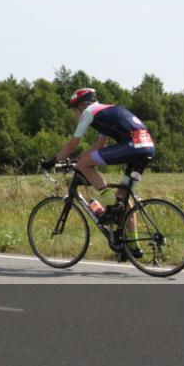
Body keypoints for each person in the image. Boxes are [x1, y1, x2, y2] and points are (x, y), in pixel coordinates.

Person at [40, 88, 154, 261]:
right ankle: (133, 246)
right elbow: (100, 144)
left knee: (88, 169)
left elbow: (72, 144)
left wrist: (53, 161)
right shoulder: (105, 112)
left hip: (133, 145)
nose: (74, 115)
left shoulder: (88, 112)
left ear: (81, 106)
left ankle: (110, 205)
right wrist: (80, 158)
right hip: (147, 147)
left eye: (73, 110)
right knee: (124, 195)